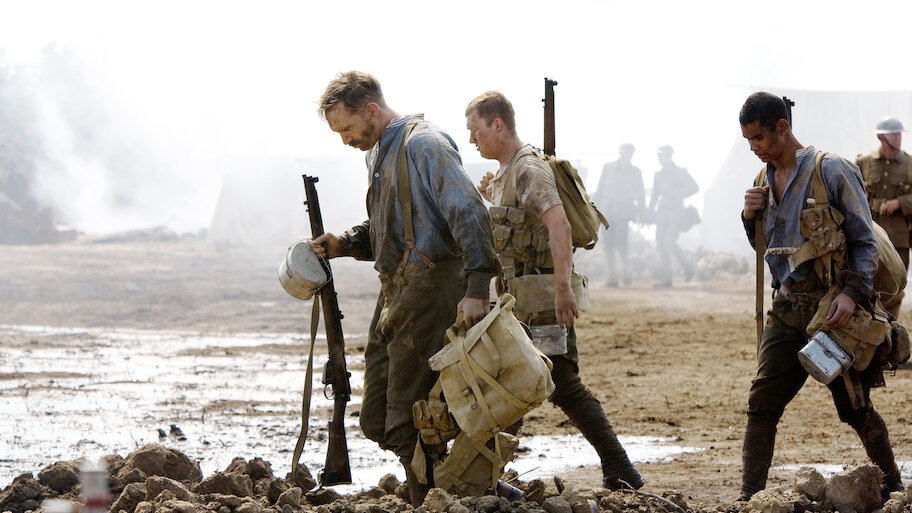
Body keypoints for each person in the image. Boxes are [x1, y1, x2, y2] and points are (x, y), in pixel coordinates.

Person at [310, 71, 500, 506]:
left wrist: (476, 287)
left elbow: (470, 213)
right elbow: (388, 228)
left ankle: (436, 499)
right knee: (376, 419)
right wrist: (344, 244)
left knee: (407, 421)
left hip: (433, 291)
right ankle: (462, 486)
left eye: (347, 128)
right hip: (397, 291)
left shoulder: (424, 144)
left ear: (371, 110)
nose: (345, 140)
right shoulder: (377, 154)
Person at [464, 91, 644, 490]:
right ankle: (487, 476)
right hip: (520, 303)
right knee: (517, 383)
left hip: (543, 303)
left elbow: (558, 225)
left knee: (557, 384)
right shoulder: (507, 172)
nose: (471, 139)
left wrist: (563, 291)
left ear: (498, 124)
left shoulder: (528, 169)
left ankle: (619, 467)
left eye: (476, 130)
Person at [739, 92, 902, 502]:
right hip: (786, 309)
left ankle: (895, 489)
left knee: (855, 407)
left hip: (832, 312)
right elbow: (769, 250)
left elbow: (864, 242)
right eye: (748, 140)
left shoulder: (832, 170)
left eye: (758, 138)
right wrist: (748, 217)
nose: (754, 147)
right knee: (762, 403)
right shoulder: (762, 181)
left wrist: (850, 295)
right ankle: (749, 497)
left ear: (782, 127)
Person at [856, 118, 911, 318]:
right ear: (881, 137)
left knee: (894, 288)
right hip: (868, 236)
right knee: (864, 285)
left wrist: (900, 202)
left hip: (898, 238)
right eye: (893, 134)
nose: (898, 138)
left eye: (899, 134)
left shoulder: (910, 164)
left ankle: (890, 328)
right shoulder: (864, 163)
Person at [592, 143, 645, 287]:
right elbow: (600, 189)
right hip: (608, 213)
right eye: (624, 153)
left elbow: (641, 194)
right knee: (608, 246)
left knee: (622, 245)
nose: (626, 156)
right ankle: (613, 277)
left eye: (629, 153)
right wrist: (594, 209)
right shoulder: (608, 168)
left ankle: (626, 274)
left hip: (624, 214)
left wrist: (642, 214)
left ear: (632, 154)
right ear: (621, 153)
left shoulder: (635, 172)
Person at [648, 145, 698, 287]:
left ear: (669, 156)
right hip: (662, 212)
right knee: (661, 243)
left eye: (661, 156)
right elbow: (655, 195)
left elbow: (694, 187)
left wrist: (679, 193)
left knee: (669, 242)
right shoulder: (658, 175)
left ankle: (688, 266)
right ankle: (666, 279)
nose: (659, 159)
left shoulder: (680, 172)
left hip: (676, 212)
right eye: (658, 156)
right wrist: (649, 212)